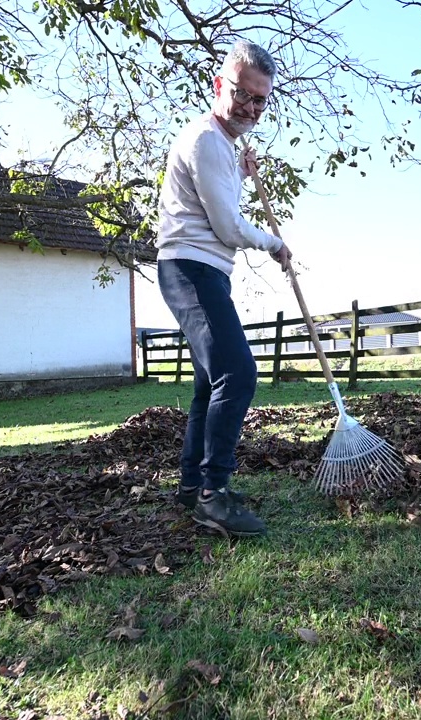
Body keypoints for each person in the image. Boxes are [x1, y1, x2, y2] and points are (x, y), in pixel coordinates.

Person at [155, 39, 293, 537]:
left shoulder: (221, 147)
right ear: (220, 85)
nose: (251, 108)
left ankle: (192, 487)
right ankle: (214, 496)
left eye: (260, 100)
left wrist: (240, 170)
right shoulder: (207, 140)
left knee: (209, 383)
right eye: (242, 94)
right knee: (238, 373)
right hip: (190, 268)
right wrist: (273, 242)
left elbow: (214, 198)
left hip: (201, 269)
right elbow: (228, 226)